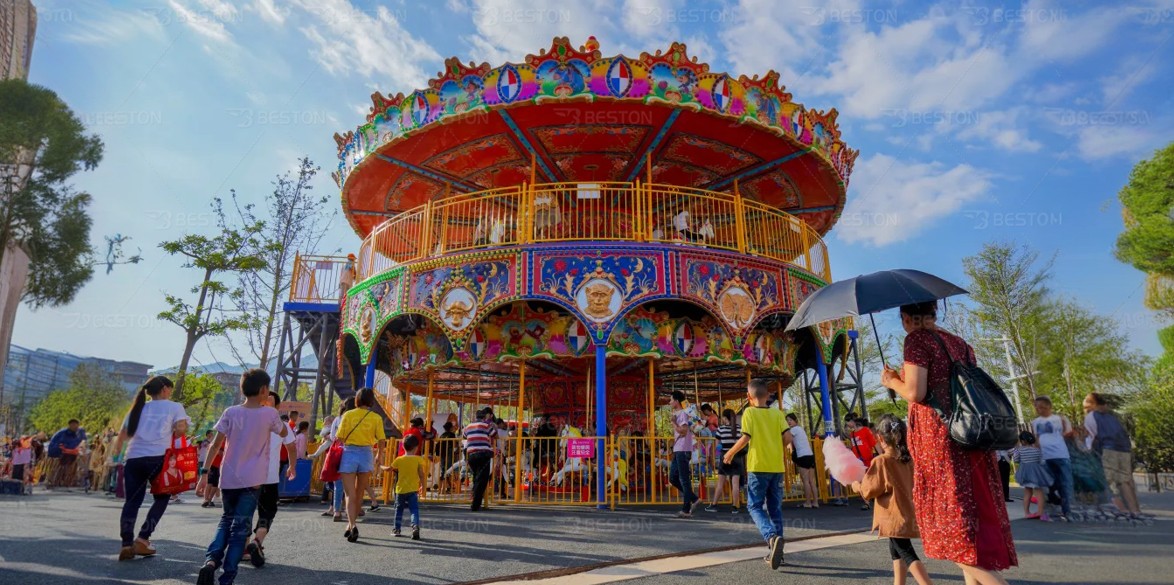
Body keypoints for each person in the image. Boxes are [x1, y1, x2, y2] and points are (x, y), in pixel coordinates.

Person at [882, 301, 1016, 584]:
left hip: (940, 442)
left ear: (905, 317)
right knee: (969, 532)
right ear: (935, 311)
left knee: (951, 532)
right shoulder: (960, 344)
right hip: (969, 435)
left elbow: (915, 392)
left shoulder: (916, 340)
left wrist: (892, 381)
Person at [197, 369, 294, 585]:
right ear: (263, 390)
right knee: (240, 529)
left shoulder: (230, 412)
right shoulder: (269, 414)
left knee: (226, 520)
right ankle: (227, 578)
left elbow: (215, 445)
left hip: (228, 478)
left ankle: (211, 561)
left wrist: (204, 473)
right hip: (253, 481)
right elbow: (284, 433)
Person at [111, 376, 190, 561]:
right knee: (162, 498)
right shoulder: (174, 407)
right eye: (170, 389)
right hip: (158, 458)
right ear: (164, 389)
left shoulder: (137, 408)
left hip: (133, 458)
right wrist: (178, 428)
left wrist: (115, 458)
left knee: (132, 502)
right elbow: (181, 430)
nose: (170, 393)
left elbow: (122, 436)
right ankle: (143, 538)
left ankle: (126, 544)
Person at [851, 415, 933, 585]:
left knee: (907, 553)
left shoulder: (881, 461)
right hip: (907, 512)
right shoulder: (909, 459)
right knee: (896, 553)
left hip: (893, 517)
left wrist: (856, 486)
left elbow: (869, 490)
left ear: (880, 438)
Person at [723, 379, 787, 570]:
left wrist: (730, 452)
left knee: (754, 506)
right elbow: (787, 437)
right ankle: (779, 552)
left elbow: (746, 437)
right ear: (768, 395)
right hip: (777, 467)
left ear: (748, 397)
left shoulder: (749, 413)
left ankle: (771, 537)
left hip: (758, 466)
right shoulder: (777, 413)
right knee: (775, 509)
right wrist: (776, 448)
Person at [243, 391, 298, 567]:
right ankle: (257, 541)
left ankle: (244, 548)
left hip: (246, 476)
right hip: (269, 478)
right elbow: (291, 447)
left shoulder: (248, 421)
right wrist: (292, 466)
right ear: (278, 407)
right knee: (267, 512)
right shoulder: (283, 426)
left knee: (245, 511)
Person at [336, 388, 385, 543]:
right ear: (371, 400)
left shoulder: (348, 415)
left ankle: (352, 525)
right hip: (366, 454)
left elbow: (340, 437)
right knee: (359, 493)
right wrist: (379, 455)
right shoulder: (376, 417)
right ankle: (350, 525)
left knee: (349, 494)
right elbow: (381, 439)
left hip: (349, 453)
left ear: (357, 399)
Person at [1083, 392, 1143, 517]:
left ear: (1093, 404)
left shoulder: (1091, 416)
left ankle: (1121, 509)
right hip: (1124, 449)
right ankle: (1135, 510)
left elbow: (1091, 436)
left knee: (1109, 481)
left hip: (1108, 449)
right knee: (1125, 481)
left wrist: (1087, 450)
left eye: (1086, 405)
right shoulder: (1111, 417)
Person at [1031, 396, 1075, 521]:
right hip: (1045, 457)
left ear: (1048, 406)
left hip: (1061, 455)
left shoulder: (1060, 419)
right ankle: (1054, 500)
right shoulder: (1035, 422)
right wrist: (1036, 451)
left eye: (1041, 407)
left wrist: (1065, 431)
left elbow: (1069, 433)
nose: (1038, 409)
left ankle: (1067, 511)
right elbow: (1037, 438)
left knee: (1066, 483)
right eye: (1036, 407)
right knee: (1050, 482)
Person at [668, 391, 701, 518]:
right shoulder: (678, 413)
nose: (670, 402)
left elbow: (683, 431)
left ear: (676, 401)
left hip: (683, 448)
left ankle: (686, 510)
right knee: (673, 478)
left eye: (671, 400)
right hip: (678, 448)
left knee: (684, 479)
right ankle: (693, 498)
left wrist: (673, 422)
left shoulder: (682, 413)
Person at [388, 434, 427, 540]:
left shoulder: (399, 460)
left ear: (403, 447)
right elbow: (421, 474)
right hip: (413, 489)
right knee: (414, 509)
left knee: (399, 509)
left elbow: (390, 469)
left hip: (400, 489)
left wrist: (381, 466)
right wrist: (423, 486)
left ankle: (397, 529)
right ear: (416, 447)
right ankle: (415, 526)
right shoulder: (418, 459)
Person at [706, 408, 742, 513]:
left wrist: (716, 456)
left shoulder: (721, 429)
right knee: (735, 484)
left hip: (725, 457)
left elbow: (717, 446)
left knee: (720, 483)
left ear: (725, 418)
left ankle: (714, 505)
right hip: (737, 457)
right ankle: (735, 507)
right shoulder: (739, 428)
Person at [1012, 431, 1054, 521]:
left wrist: (1016, 449)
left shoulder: (1020, 450)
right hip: (1036, 473)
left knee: (1027, 493)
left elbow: (1016, 460)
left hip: (1025, 473)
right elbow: (1042, 461)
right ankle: (1041, 512)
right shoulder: (1037, 450)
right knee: (1039, 493)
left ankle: (1027, 513)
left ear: (1023, 441)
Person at [463, 407, 498, 511]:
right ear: (484, 418)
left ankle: (475, 499)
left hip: (471, 455)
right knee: (482, 480)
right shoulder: (486, 425)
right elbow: (495, 435)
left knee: (476, 478)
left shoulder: (468, 426)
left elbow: (464, 436)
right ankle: (475, 504)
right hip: (483, 454)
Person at [846, 414, 881, 511]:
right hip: (858, 462)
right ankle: (866, 502)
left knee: (871, 480)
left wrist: (882, 455)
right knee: (860, 481)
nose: (847, 424)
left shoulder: (865, 430)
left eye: (847, 422)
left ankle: (875, 498)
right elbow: (854, 446)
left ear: (852, 421)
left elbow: (874, 444)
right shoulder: (852, 434)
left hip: (868, 460)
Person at [785, 413, 818, 509]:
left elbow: (786, 439)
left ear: (795, 420)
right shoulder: (801, 429)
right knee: (812, 481)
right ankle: (815, 502)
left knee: (806, 481)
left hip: (802, 456)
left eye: (790, 420)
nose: (789, 422)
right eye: (787, 420)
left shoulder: (793, 430)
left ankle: (808, 502)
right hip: (810, 455)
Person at [48, 419, 87, 489]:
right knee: (64, 463)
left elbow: (80, 442)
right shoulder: (63, 433)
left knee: (74, 460)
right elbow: (63, 444)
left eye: (77, 425)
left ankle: (67, 480)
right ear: (70, 425)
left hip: (68, 452)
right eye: (74, 425)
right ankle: (57, 480)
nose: (75, 427)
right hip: (58, 452)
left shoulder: (76, 433)